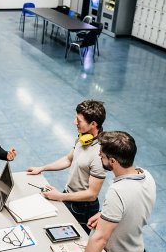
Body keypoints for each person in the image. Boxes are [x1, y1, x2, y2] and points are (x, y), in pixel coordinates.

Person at [56, 131, 156, 252]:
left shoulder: (118, 190)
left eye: (102, 156)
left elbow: (100, 238)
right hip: (136, 249)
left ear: (113, 161)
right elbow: (134, 203)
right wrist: (105, 214)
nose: (99, 157)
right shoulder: (146, 175)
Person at [26, 99, 106, 233]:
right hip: (68, 196)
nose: (74, 122)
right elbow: (68, 159)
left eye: (79, 120)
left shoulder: (100, 154)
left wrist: (59, 196)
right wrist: (42, 168)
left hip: (83, 207)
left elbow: (92, 194)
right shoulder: (83, 139)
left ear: (93, 124)